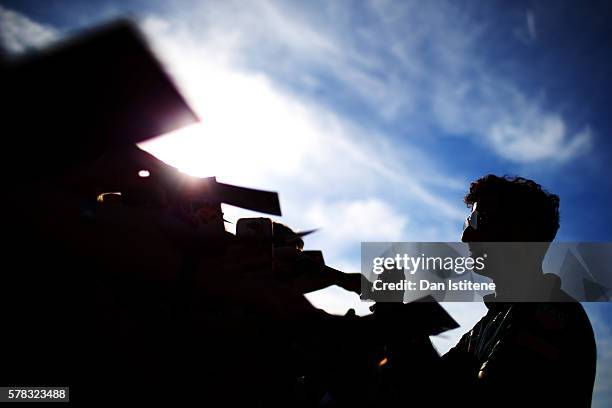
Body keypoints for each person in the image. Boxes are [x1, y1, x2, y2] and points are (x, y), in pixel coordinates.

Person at [442, 174, 596, 407]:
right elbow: (423, 385)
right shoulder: (487, 325)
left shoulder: (552, 315)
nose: (465, 236)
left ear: (522, 230)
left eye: (479, 220)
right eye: (468, 222)